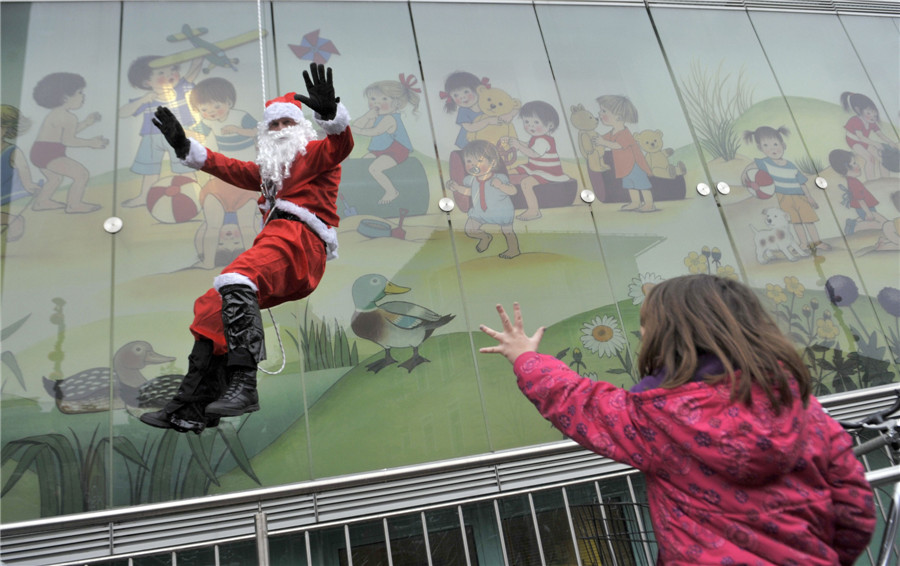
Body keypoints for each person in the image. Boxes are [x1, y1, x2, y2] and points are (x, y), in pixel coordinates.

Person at [479, 274, 875, 565]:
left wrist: (525, 357)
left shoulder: (658, 418)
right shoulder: (802, 407)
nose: (641, 333)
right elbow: (855, 509)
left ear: (666, 336)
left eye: (646, 325)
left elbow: (577, 402)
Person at [140, 63, 353, 433]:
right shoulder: (267, 174)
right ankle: (191, 407)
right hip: (278, 245)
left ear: (301, 128)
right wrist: (184, 146)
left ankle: (244, 385)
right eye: (274, 124)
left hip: (300, 243)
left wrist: (330, 114)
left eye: (288, 122)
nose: (281, 129)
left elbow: (340, 145)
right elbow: (227, 167)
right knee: (210, 307)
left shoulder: (317, 154)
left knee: (237, 277)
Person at [118, 55, 202, 208]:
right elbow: (122, 113)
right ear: (147, 82)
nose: (169, 74)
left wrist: (198, 57)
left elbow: (194, 69)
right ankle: (144, 196)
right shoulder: (148, 99)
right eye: (161, 73)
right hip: (152, 137)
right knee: (149, 168)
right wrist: (142, 100)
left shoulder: (181, 89)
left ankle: (195, 194)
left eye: (172, 69)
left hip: (178, 135)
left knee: (184, 166)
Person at [741, 125, 830, 251]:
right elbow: (751, 166)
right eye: (766, 145)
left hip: (800, 197)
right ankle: (803, 244)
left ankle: (817, 242)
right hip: (783, 198)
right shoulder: (764, 163)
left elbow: (802, 183)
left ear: (783, 145)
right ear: (760, 148)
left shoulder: (791, 165)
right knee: (795, 222)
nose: (772, 148)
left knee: (808, 220)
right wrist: (745, 174)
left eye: (775, 144)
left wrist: (809, 197)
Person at [29, 72, 108, 213]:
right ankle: (74, 205)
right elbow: (68, 140)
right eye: (79, 92)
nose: (83, 96)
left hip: (39, 152)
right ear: (65, 97)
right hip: (50, 154)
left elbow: (65, 134)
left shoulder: (56, 114)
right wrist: (91, 143)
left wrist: (86, 123)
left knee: (55, 179)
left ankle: (41, 202)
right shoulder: (68, 117)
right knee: (81, 175)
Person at [350, 74, 419, 204]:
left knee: (374, 168)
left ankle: (392, 191)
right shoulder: (378, 115)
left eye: (384, 99)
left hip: (396, 150)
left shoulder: (390, 118)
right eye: (373, 99)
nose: (377, 103)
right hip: (381, 149)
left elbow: (375, 131)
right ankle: (371, 189)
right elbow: (359, 125)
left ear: (396, 103)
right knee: (363, 162)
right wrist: (367, 116)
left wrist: (357, 130)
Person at [445, 140, 520, 258]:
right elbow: (471, 192)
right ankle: (485, 237)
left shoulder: (499, 178)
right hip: (480, 212)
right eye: (469, 161)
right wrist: (456, 187)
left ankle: (513, 249)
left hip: (501, 212)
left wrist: (501, 186)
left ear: (492, 163)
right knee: (470, 230)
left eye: (479, 161)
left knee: (508, 232)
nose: (473, 165)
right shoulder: (470, 180)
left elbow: (513, 191)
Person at [502, 100, 571, 221]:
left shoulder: (543, 140)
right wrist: (515, 142)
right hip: (534, 167)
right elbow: (529, 146)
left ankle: (534, 210)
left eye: (536, 122)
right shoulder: (536, 138)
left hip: (548, 172)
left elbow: (533, 154)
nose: (530, 126)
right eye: (527, 122)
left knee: (526, 183)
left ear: (550, 125)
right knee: (511, 171)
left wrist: (519, 146)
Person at [592, 95, 655, 212]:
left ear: (618, 117)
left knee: (641, 184)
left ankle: (649, 203)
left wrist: (603, 142)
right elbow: (604, 139)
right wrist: (597, 140)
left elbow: (618, 145)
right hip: (624, 166)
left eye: (604, 111)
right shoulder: (613, 132)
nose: (600, 114)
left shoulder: (624, 133)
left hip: (634, 165)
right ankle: (635, 202)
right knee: (630, 184)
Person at [828, 148, 887, 235]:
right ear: (846, 167)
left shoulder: (853, 180)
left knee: (883, 222)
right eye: (854, 163)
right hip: (865, 208)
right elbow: (860, 200)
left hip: (867, 207)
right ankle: (854, 228)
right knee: (882, 224)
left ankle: (853, 223)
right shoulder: (853, 183)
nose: (858, 165)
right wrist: (868, 213)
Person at [841, 91, 897, 181]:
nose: (872, 117)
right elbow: (860, 137)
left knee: (882, 158)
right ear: (858, 110)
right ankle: (871, 181)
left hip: (865, 141)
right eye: (868, 113)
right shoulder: (855, 120)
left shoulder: (872, 122)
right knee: (870, 159)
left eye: (875, 115)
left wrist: (890, 142)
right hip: (854, 141)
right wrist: (876, 144)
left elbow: (880, 135)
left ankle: (886, 179)